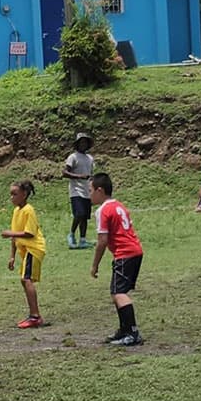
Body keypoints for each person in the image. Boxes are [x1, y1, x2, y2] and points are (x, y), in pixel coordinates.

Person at [90, 173, 144, 346]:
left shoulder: (102, 210)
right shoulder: (119, 205)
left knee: (118, 293)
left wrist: (95, 265)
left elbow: (102, 241)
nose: (89, 195)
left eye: (90, 191)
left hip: (125, 253)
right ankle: (124, 330)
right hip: (135, 251)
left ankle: (132, 333)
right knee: (118, 292)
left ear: (100, 190)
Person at [2, 180, 46, 329]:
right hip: (26, 250)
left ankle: (35, 317)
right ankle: (33, 314)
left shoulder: (28, 210)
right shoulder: (16, 211)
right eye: (11, 194)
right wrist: (12, 256)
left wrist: (10, 233)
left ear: (24, 194)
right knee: (24, 280)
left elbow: (29, 233)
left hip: (34, 248)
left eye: (15, 194)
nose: (11, 198)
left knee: (27, 279)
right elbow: (15, 236)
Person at [63, 132, 95, 249]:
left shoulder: (90, 158)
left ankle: (82, 240)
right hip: (76, 190)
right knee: (79, 213)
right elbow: (65, 173)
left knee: (85, 217)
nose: (83, 144)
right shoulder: (73, 157)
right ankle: (71, 234)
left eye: (85, 142)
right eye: (81, 142)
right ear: (77, 144)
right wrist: (79, 176)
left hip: (87, 190)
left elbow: (91, 174)